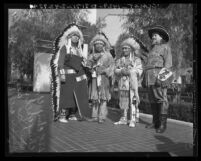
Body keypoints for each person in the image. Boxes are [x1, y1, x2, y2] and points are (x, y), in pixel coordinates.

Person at [50, 23, 90, 123]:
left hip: (77, 77)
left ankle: (72, 114)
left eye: (77, 36)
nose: (76, 38)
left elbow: (82, 65)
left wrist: (85, 71)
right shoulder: (65, 48)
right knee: (66, 95)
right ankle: (62, 116)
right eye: (74, 36)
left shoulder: (80, 51)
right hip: (67, 76)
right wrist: (62, 74)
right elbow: (60, 63)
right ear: (69, 37)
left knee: (76, 96)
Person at [144, 25, 172, 133]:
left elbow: (168, 65)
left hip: (159, 77)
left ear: (161, 37)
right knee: (152, 100)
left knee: (162, 99)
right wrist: (144, 78)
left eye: (155, 35)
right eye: (152, 36)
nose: (153, 37)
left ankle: (162, 124)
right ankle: (155, 122)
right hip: (149, 77)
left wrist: (161, 78)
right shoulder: (151, 50)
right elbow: (147, 65)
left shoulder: (165, 47)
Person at [113, 36, 146, 127]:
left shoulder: (136, 59)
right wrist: (121, 71)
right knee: (123, 100)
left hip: (132, 84)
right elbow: (115, 70)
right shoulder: (119, 60)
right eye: (123, 48)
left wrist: (131, 71)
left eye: (126, 48)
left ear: (131, 49)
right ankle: (123, 118)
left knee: (133, 100)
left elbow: (140, 70)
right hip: (123, 84)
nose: (124, 50)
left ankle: (133, 119)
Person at [86, 32, 115, 124]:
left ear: (103, 45)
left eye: (100, 44)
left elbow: (112, 67)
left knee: (103, 98)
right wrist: (91, 67)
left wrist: (105, 71)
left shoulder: (108, 55)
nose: (98, 45)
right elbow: (87, 66)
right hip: (94, 79)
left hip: (104, 79)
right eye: (96, 44)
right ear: (94, 45)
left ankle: (102, 116)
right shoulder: (91, 55)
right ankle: (94, 116)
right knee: (95, 98)